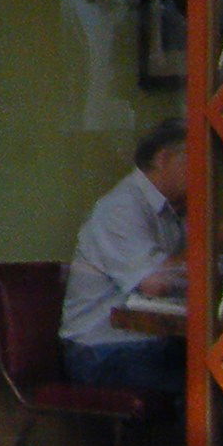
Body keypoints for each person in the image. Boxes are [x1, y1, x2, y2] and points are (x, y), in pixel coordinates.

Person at [63, 116, 189, 397]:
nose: (207, 173)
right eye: (196, 161)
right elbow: (156, 282)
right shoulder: (122, 207)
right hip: (102, 350)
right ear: (163, 158)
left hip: (153, 343)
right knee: (202, 389)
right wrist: (220, 238)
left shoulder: (176, 210)